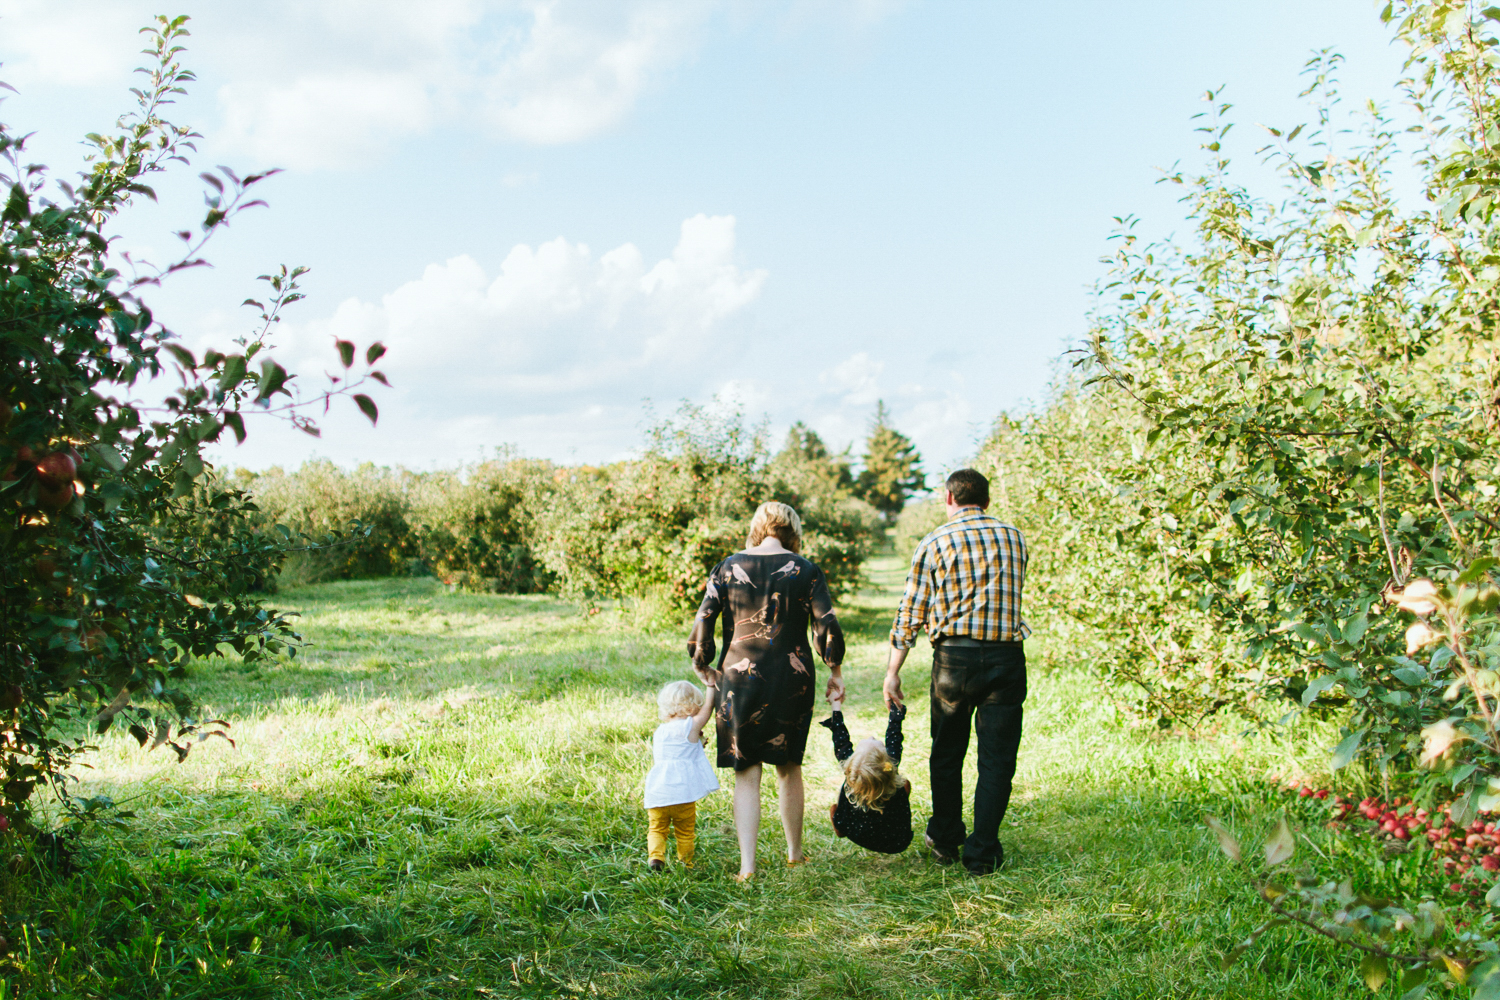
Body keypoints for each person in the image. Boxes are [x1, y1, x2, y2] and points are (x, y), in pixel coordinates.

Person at [688, 501, 846, 881]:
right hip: (792, 678)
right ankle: (794, 855)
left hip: (738, 679)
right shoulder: (806, 570)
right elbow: (826, 624)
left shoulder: (727, 566)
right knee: (790, 767)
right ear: (792, 530)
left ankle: (748, 868)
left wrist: (701, 661)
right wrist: (835, 670)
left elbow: (704, 617)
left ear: (758, 527)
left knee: (746, 770)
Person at [884, 468, 1028, 876]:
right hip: (1006, 658)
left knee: (947, 752)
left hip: (954, 661)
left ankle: (946, 838)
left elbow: (911, 612)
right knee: (998, 759)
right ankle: (983, 851)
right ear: (987, 499)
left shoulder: (935, 542)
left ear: (949, 499)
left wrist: (893, 671)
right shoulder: (1014, 538)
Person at [643, 679, 720, 871]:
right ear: (693, 706)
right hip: (683, 794)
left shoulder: (660, 731)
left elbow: (677, 751)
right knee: (685, 832)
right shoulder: (690, 727)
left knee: (656, 829)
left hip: (658, 792)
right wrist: (711, 685)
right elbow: (708, 710)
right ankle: (686, 864)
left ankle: (656, 858)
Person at [820, 695, 912, 854]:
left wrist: (836, 706)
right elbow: (893, 739)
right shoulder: (889, 767)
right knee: (903, 783)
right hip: (897, 842)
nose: (871, 737)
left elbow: (841, 740)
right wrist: (895, 713)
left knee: (843, 795)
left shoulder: (851, 769)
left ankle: (840, 826)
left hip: (856, 832)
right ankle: (887, 800)